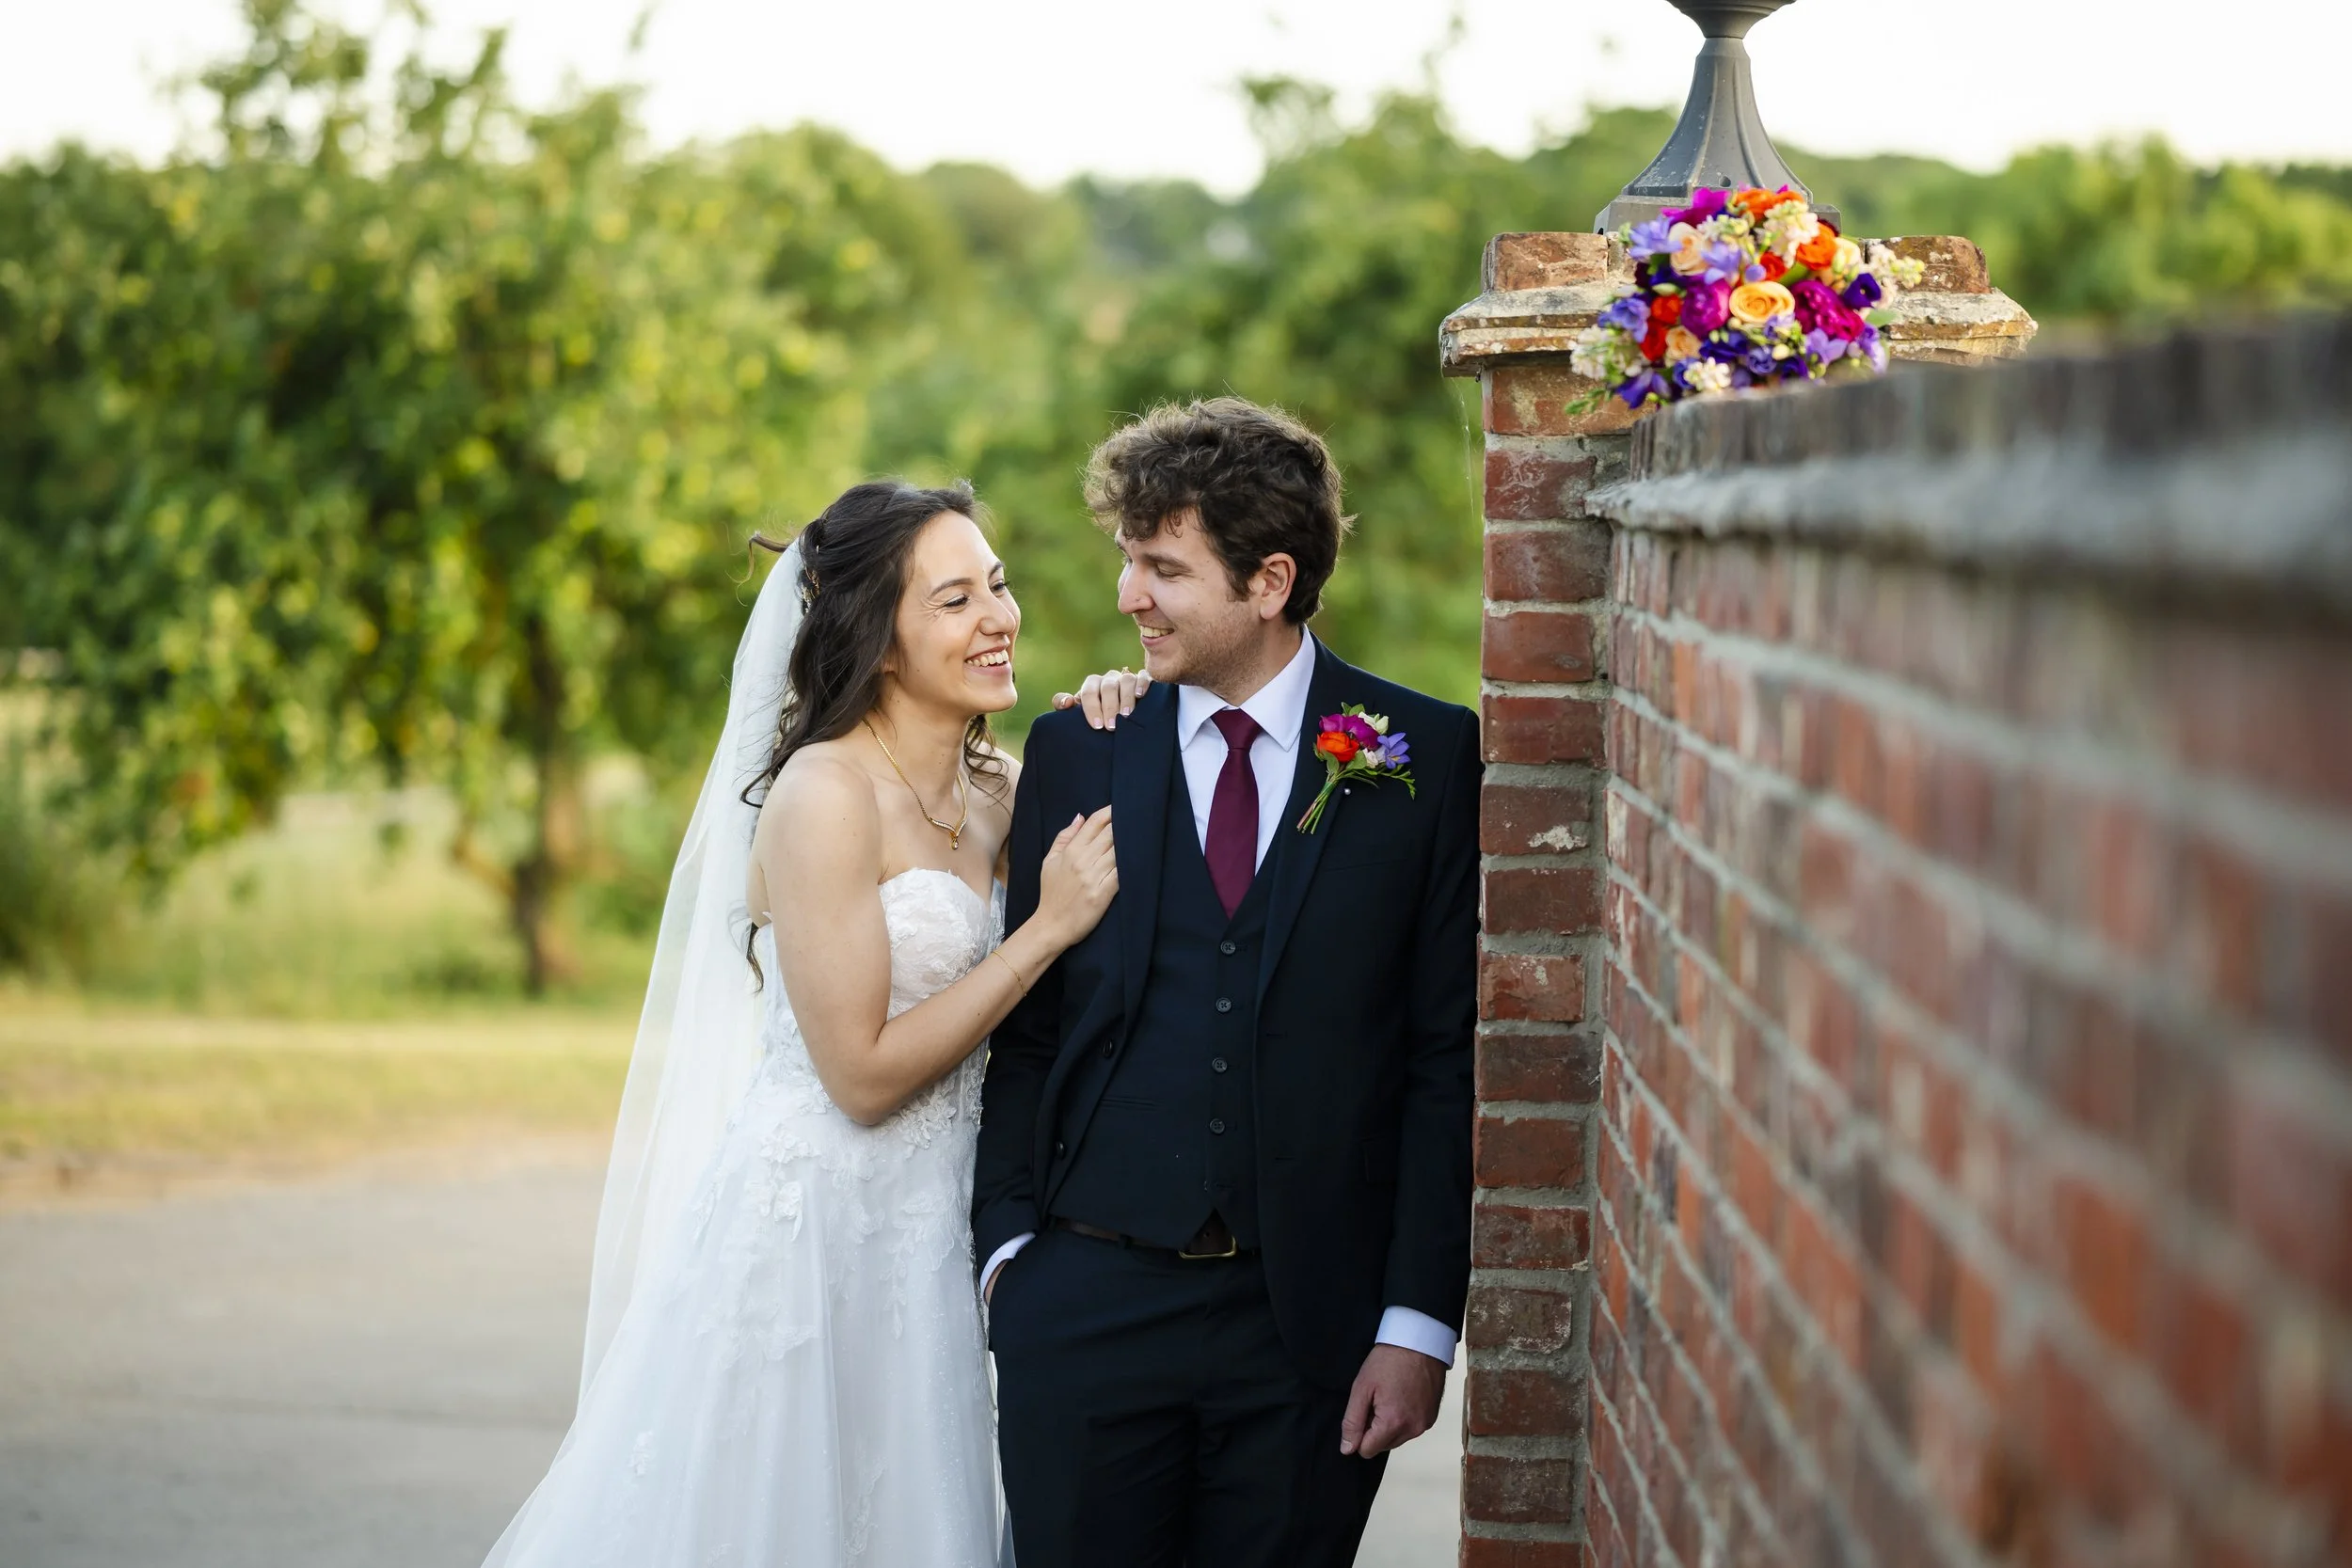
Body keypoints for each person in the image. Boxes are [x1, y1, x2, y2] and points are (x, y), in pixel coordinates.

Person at [480, 479, 1141, 1568]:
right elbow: (862, 1074)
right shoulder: (822, 795)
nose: (999, 617)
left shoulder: (1000, 792)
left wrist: (1119, 715)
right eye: (955, 599)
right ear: (880, 640)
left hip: (939, 1233)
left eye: (1000, 585)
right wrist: (1039, 932)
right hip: (817, 1233)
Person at [977, 398, 1481, 1568]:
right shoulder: (1080, 747)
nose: (1127, 595)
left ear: (1269, 582)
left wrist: (1416, 1324)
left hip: (1307, 1330)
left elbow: (1440, 1057)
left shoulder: (1427, 755)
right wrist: (1008, 1257)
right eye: (1128, 560)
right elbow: (1033, 1028)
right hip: (1085, 1303)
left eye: (1162, 566)